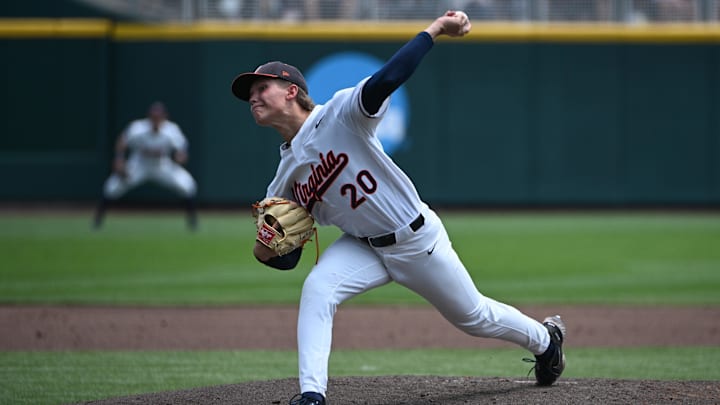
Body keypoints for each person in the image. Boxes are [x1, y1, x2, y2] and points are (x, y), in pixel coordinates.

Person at [230, 10, 565, 405]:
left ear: (290, 91)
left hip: (415, 238)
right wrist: (266, 250)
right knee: (318, 289)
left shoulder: (340, 114)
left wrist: (436, 29)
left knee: (473, 317)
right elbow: (287, 258)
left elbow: (388, 78)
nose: (252, 96)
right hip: (363, 246)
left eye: (260, 87)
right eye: (248, 93)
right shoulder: (283, 178)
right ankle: (311, 394)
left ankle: (546, 341)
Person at [93, 101, 198, 230]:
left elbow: (182, 149)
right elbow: (122, 142)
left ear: (164, 117)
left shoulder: (171, 130)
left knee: (187, 185)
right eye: (153, 116)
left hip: (161, 165)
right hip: (139, 165)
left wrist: (180, 157)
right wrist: (119, 160)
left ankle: (192, 223)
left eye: (159, 116)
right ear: (149, 116)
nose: (156, 119)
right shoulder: (138, 128)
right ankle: (97, 221)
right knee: (112, 187)